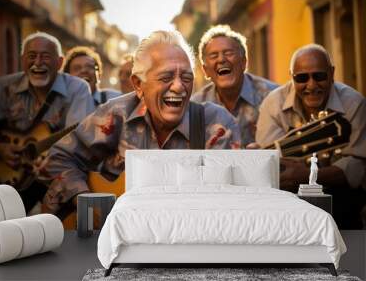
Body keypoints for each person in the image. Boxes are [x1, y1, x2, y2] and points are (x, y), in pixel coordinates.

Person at [43, 30, 242, 215]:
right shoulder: (118, 113)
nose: (179, 86)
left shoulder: (217, 124)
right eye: (166, 77)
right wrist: (86, 203)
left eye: (187, 77)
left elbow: (227, 201)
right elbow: (59, 157)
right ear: (138, 84)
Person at [256, 44, 366, 229]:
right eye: (301, 78)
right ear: (291, 77)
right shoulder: (273, 104)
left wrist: (308, 175)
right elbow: (274, 167)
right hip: (288, 206)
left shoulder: (353, 104)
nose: (311, 85)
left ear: (332, 73)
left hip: (342, 205)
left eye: (319, 76)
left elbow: (356, 169)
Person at [0, 32, 95, 213]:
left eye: (45, 57)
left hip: (56, 176)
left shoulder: (78, 89)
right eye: (32, 56)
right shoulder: (2, 87)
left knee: (67, 225)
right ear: (22, 60)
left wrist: (55, 157)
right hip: (11, 174)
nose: (37, 63)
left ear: (59, 63)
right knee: (2, 225)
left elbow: (80, 137)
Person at [191, 25, 279, 147]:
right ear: (205, 70)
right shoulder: (196, 108)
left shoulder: (272, 97)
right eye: (214, 56)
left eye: (228, 53)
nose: (221, 59)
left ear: (244, 62)